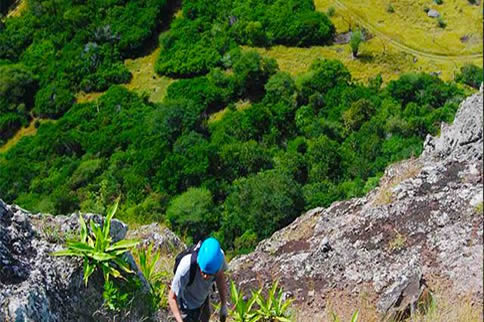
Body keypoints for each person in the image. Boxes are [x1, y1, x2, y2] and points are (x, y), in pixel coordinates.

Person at [168, 237, 228, 322]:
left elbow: (220, 278)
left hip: (203, 298)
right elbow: (171, 297)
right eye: (203, 272)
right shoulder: (186, 267)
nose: (205, 277)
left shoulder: (219, 258)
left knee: (206, 316)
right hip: (186, 305)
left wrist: (223, 304)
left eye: (209, 274)